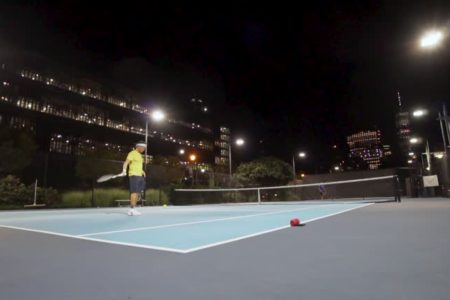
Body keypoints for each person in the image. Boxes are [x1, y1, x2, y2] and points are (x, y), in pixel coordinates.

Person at [121, 141, 146, 216]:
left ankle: (134, 209)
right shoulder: (132, 153)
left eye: (145, 148)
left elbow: (138, 165)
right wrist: (124, 171)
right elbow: (126, 162)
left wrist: (142, 171)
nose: (144, 149)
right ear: (138, 147)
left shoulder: (140, 156)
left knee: (138, 193)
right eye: (143, 147)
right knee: (134, 192)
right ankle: (131, 210)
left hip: (140, 176)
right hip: (134, 175)